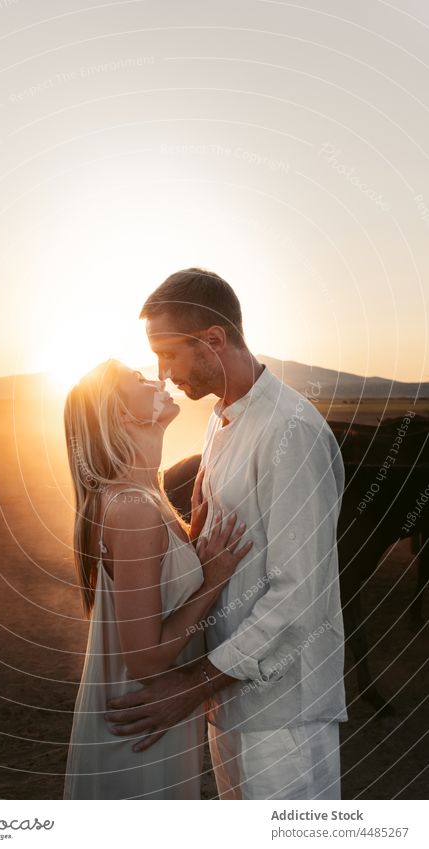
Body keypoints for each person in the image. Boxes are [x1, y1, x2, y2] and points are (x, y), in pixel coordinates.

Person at [103, 268, 348, 800]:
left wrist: (191, 686)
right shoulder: (220, 418)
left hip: (285, 713)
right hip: (227, 706)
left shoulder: (291, 431)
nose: (162, 374)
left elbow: (299, 593)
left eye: (168, 355)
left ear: (213, 340)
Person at [62, 358, 253, 799]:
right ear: (119, 412)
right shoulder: (132, 508)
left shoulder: (146, 495)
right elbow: (145, 659)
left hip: (151, 720)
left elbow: (156, 585)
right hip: (139, 728)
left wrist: (191, 538)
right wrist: (213, 581)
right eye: (139, 378)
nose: (160, 377)